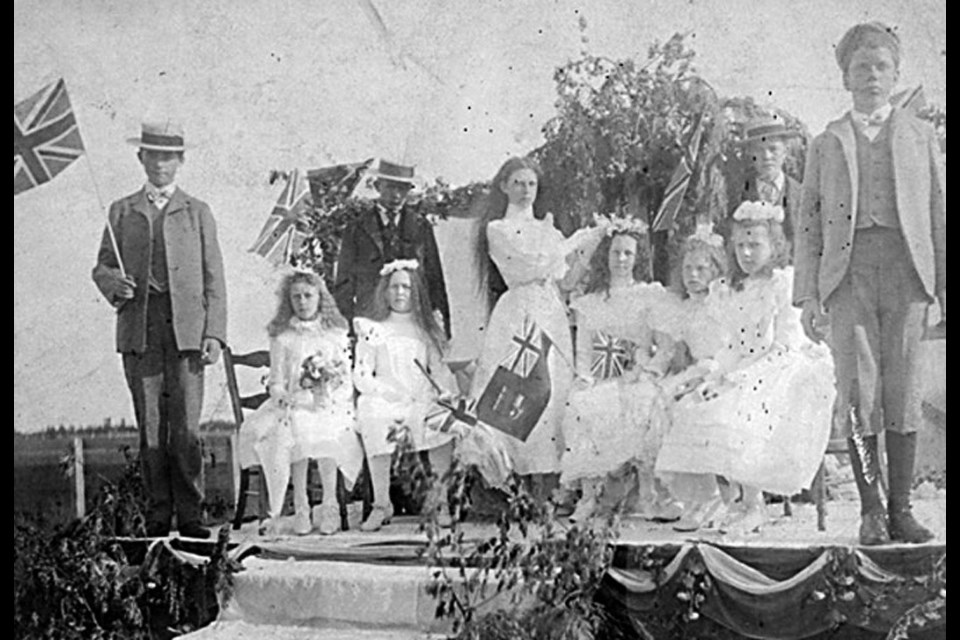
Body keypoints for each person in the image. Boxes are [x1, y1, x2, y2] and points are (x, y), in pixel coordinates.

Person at [794, 22, 946, 545]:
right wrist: (809, 295)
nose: (872, 77)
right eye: (862, 68)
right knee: (859, 394)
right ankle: (870, 511)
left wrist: (942, 291)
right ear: (845, 78)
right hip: (849, 276)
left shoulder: (919, 136)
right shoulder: (827, 142)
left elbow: (938, 214)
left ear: (896, 73)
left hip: (906, 274)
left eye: (882, 67)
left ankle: (902, 509)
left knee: (903, 390)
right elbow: (809, 221)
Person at [656, 201, 835, 536]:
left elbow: (785, 346)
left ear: (775, 246)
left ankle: (754, 506)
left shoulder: (783, 283)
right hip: (742, 366)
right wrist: (715, 375)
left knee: (735, 412)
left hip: (784, 368)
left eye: (755, 245)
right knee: (692, 406)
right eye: (740, 246)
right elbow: (731, 346)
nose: (747, 253)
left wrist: (738, 378)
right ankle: (727, 501)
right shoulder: (729, 289)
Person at [92, 121, 226, 539]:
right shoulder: (121, 210)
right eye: (153, 155)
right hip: (141, 329)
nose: (161, 164)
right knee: (150, 427)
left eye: (169, 156)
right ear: (141, 159)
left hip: (187, 331)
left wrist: (214, 334)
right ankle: (157, 515)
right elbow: (102, 266)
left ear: (180, 161)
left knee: (186, 427)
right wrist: (114, 285)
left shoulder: (198, 211)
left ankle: (190, 515)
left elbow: (213, 279)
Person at [468, 157, 605, 491]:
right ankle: (514, 483)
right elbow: (532, 267)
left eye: (530, 183)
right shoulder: (497, 229)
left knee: (554, 391)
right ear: (503, 186)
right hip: (520, 312)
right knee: (521, 389)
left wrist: (589, 248)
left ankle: (547, 486)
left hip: (550, 310)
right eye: (517, 183)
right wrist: (572, 242)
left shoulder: (550, 230)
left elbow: (565, 281)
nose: (525, 190)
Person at [559, 221, 679, 522]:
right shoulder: (591, 301)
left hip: (637, 375)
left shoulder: (649, 295)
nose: (621, 259)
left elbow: (664, 347)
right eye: (616, 252)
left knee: (644, 402)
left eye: (628, 253)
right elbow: (584, 352)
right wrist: (584, 378)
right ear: (606, 255)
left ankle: (647, 496)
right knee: (581, 404)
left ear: (637, 258)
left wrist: (649, 371)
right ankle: (588, 496)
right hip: (601, 376)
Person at [237, 270, 363, 536]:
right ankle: (302, 507)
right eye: (296, 297)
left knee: (328, 431)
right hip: (294, 402)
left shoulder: (335, 332)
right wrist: (281, 395)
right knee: (294, 430)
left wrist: (329, 394)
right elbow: (276, 381)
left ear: (320, 298)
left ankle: (329, 505)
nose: (303, 302)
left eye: (308, 295)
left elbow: (344, 376)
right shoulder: (282, 336)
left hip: (328, 402)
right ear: (289, 301)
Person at [353, 260, 457, 531]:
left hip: (421, 397)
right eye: (394, 287)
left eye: (407, 287)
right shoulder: (372, 328)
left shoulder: (426, 326)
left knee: (442, 420)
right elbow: (362, 375)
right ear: (385, 292)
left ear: (416, 292)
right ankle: (381, 503)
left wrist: (444, 391)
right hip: (386, 397)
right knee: (374, 417)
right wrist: (385, 391)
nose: (400, 293)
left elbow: (438, 369)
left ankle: (440, 501)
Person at [656, 224, 732, 532]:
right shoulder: (684, 308)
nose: (693, 274)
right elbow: (679, 354)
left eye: (701, 268)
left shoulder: (722, 300)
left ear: (715, 271)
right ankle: (691, 498)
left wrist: (706, 375)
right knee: (664, 403)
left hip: (724, 372)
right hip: (697, 371)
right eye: (688, 268)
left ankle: (711, 496)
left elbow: (731, 346)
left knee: (691, 411)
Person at [333, 160, 449, 337]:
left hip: (412, 315)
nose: (396, 195)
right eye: (390, 187)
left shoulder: (420, 226)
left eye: (402, 189)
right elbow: (345, 281)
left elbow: (434, 276)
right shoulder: (357, 227)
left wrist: (440, 323)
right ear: (378, 186)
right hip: (371, 316)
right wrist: (346, 327)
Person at [732, 116, 803, 250]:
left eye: (773, 149)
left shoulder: (802, 194)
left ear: (785, 151)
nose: (767, 156)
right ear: (751, 153)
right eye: (759, 150)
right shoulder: (736, 192)